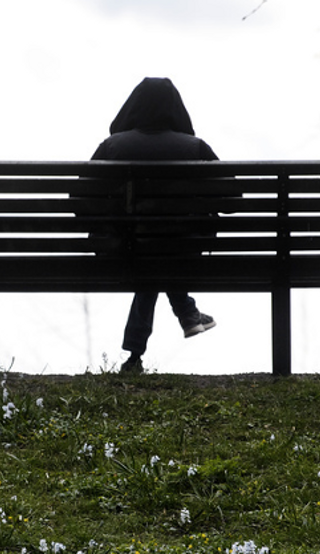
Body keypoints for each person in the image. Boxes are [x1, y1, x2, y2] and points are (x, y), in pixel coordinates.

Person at [90, 77, 217, 374]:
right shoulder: (195, 148)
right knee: (163, 253)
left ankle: (135, 356)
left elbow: (81, 199)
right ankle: (187, 313)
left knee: (150, 257)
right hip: (181, 252)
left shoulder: (113, 147)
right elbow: (232, 199)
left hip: (126, 251)